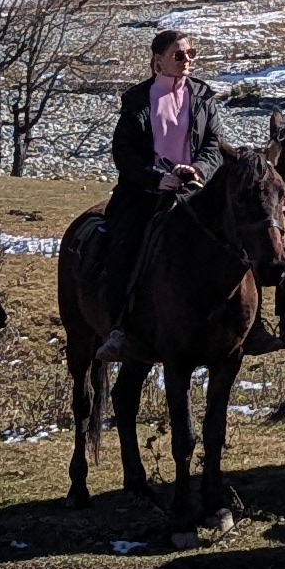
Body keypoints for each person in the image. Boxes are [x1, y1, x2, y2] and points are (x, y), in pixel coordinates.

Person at [92, 26, 214, 338]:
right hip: (145, 193)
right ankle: (118, 327)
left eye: (190, 54)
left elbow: (215, 144)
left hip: (196, 191)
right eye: (178, 54)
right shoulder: (137, 100)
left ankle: (248, 326)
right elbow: (124, 152)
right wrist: (157, 179)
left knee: (241, 239)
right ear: (158, 61)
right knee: (125, 246)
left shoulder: (202, 95)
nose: (186, 60)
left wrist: (198, 169)